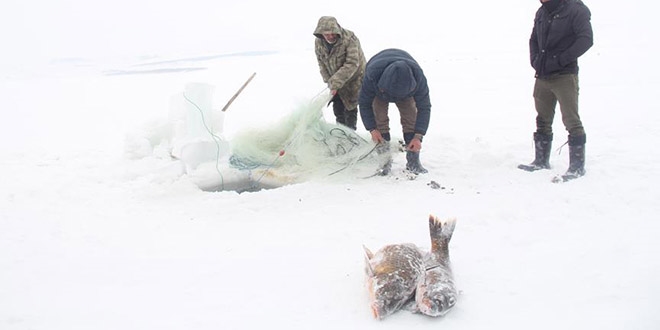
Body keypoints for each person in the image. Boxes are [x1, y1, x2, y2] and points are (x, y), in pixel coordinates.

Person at [519, 0, 593, 182]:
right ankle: (541, 160)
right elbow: (533, 39)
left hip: (565, 75)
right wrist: (535, 60)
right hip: (542, 74)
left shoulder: (576, 9)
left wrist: (561, 60)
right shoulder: (542, 12)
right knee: (542, 118)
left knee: (571, 120)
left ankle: (577, 167)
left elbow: (586, 39)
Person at [359, 48, 431, 175]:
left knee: (410, 116)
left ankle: (413, 161)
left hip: (406, 91)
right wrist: (372, 129)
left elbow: (424, 107)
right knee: (379, 118)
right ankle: (384, 161)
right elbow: (364, 104)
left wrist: (418, 136)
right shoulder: (372, 76)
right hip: (379, 90)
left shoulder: (418, 77)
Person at [313, 16, 366, 130]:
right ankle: (341, 134)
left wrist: (335, 82)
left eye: (333, 33)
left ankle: (351, 136)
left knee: (350, 108)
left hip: (354, 79)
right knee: (338, 108)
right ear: (321, 33)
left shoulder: (350, 38)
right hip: (335, 82)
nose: (331, 36)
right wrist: (329, 82)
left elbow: (352, 63)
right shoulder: (318, 43)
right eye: (327, 34)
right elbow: (321, 63)